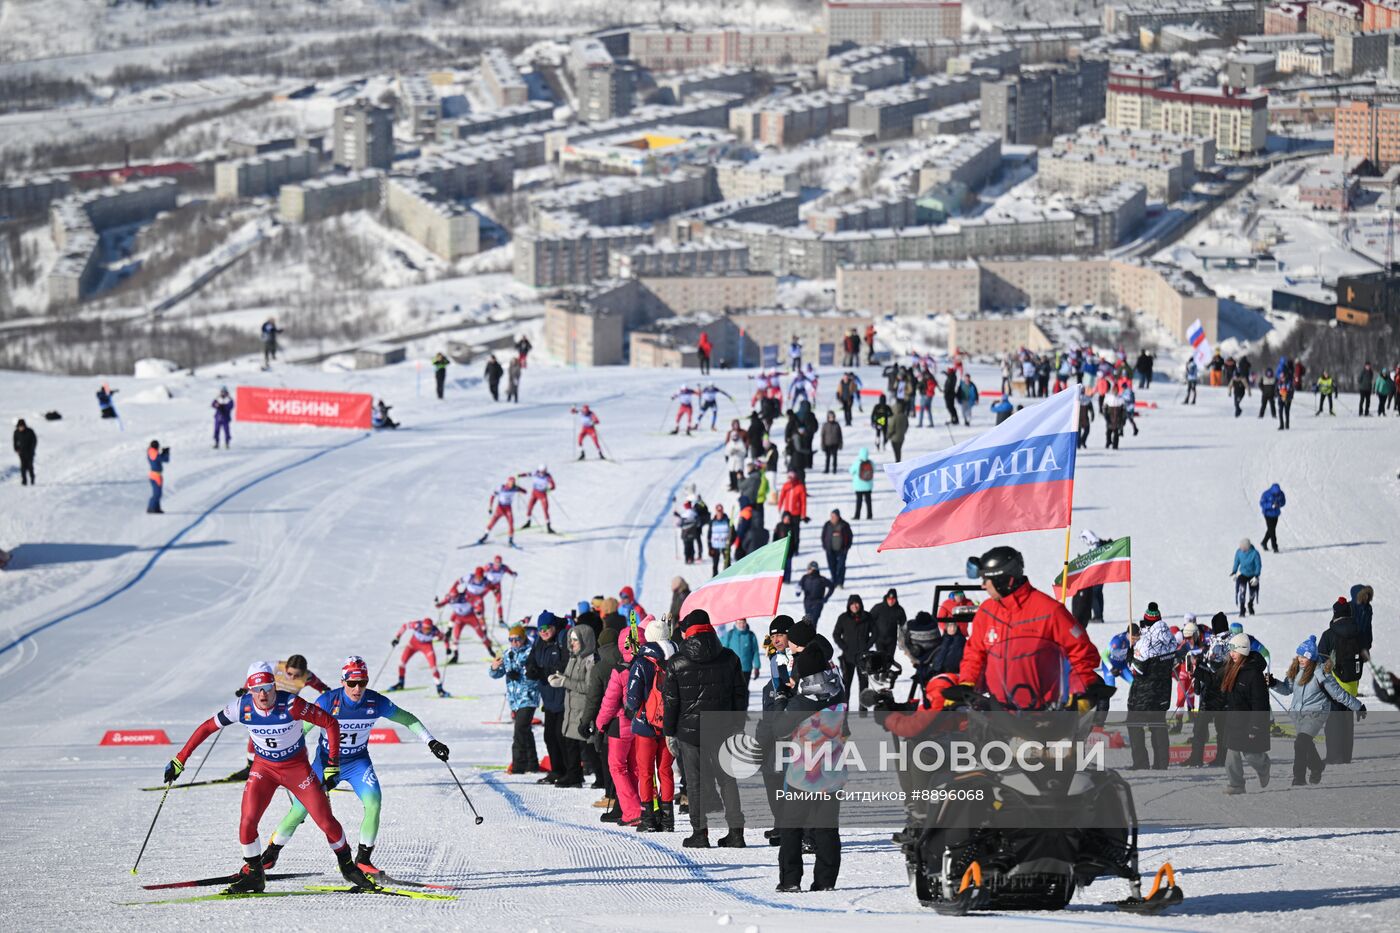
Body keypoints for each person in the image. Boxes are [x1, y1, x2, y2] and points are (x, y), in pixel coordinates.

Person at [163, 662, 375, 894]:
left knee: (324, 820)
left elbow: (330, 723)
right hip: (264, 769)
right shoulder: (240, 707)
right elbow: (207, 727)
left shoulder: (292, 705)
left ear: (274, 686)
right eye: (256, 689)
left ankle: (347, 866)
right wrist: (180, 759)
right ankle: (255, 875)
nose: (262, 694)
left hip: (297, 769)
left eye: (267, 687)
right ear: (249, 690)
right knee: (247, 821)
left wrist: (332, 764)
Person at [262, 656, 450, 874]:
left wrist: (431, 741)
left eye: (362, 682)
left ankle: (363, 859)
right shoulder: (327, 701)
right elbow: (301, 730)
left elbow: (408, 719)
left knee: (374, 802)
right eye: (352, 683)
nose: (357, 688)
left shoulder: (375, 702)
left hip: (357, 762)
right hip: (325, 763)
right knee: (300, 811)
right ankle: (269, 857)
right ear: (343, 682)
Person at [957, 546, 1102, 709]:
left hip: (1043, 714)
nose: (983, 586)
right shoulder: (986, 612)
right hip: (997, 713)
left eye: (986, 580)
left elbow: (1082, 651)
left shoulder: (1049, 611)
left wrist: (1081, 691)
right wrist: (966, 683)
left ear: (1004, 580)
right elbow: (975, 653)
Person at [663, 611, 748, 848]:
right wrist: (737, 724)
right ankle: (736, 833)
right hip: (723, 728)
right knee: (728, 780)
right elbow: (740, 694)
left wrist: (669, 731)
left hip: (690, 733)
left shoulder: (677, 662)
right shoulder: (730, 657)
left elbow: (671, 701)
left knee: (695, 782)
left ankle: (699, 834)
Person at [773, 634, 847, 892]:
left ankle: (791, 879)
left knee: (792, 827)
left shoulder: (801, 702)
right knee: (827, 829)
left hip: (802, 773)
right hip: (832, 771)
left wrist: (782, 700)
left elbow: (779, 728)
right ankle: (826, 881)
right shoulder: (839, 693)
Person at [1269, 635, 1366, 785]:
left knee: (1300, 743)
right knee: (1306, 743)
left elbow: (1338, 694)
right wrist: (1273, 683)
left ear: (1312, 658)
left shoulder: (1321, 674)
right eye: (1299, 655)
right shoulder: (1296, 670)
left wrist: (1358, 706)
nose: (1300, 659)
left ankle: (1299, 778)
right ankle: (1317, 766)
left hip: (1316, 713)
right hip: (1299, 713)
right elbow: (1287, 689)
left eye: (1304, 657)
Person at [627, 616, 678, 831]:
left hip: (646, 725)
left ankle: (648, 819)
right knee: (665, 771)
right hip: (670, 724)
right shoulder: (679, 658)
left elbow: (632, 699)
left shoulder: (641, 662)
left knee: (646, 772)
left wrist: (637, 709)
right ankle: (668, 821)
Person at [596, 626, 646, 826]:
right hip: (640, 724)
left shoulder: (619, 671)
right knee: (634, 767)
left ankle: (632, 811)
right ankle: (641, 805)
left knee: (617, 768)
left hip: (620, 725)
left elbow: (609, 702)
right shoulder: (646, 666)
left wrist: (600, 724)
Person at [1219, 632, 1270, 795]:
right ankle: (1236, 785)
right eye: (1231, 650)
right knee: (1231, 756)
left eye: (1235, 650)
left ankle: (1263, 766)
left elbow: (1260, 702)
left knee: (1251, 755)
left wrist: (1256, 726)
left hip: (1249, 722)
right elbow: (1217, 683)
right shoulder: (1231, 668)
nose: (1232, 654)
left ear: (1243, 651)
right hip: (1234, 721)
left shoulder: (1254, 674)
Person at [1317, 597, 1366, 764]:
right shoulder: (1358, 633)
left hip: (1335, 685)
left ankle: (1334, 756)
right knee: (1347, 721)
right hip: (1352, 683)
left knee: (1333, 722)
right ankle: (1346, 756)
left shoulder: (1329, 634)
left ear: (1335, 613)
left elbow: (1321, 658)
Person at [1127, 608, 1174, 770]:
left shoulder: (1145, 642)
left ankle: (1141, 762)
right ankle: (1162, 763)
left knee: (1134, 724)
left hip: (1144, 694)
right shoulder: (1170, 638)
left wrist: (1130, 654)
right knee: (1159, 725)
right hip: (1164, 692)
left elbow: (1137, 670)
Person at [491, 625, 542, 774]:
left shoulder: (531, 653)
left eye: (517, 639)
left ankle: (518, 765)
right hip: (514, 699)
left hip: (528, 697)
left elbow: (534, 676)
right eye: (511, 639)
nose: (514, 642)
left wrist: (520, 676)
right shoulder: (507, 654)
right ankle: (532, 763)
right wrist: (494, 667)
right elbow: (495, 674)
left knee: (519, 729)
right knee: (525, 730)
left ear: (523, 638)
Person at [557, 623, 599, 789]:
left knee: (588, 747)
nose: (572, 643)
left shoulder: (591, 661)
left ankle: (600, 777)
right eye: (571, 640)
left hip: (583, 710)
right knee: (570, 744)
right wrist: (560, 678)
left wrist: (564, 682)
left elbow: (589, 687)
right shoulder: (573, 658)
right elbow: (570, 678)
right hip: (571, 709)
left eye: (576, 640)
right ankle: (574, 775)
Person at [436, 567, 494, 660]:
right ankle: (455, 655)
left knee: (481, 633)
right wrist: (437, 604)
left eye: (455, 598)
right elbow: (442, 603)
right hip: (460, 618)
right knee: (455, 637)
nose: (453, 600)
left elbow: (477, 601)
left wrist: (478, 610)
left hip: (471, 617)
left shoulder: (465, 597)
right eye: (452, 598)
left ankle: (490, 649)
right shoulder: (450, 597)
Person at [388, 617, 449, 696]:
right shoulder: (417, 625)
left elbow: (445, 638)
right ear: (422, 626)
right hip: (413, 645)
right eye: (425, 628)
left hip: (427, 647)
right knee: (402, 663)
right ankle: (400, 683)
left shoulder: (435, 631)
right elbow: (405, 626)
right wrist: (397, 638)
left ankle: (440, 689)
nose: (426, 631)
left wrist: (448, 648)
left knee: (433, 668)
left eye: (428, 629)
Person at [832, 594, 871, 709]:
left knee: (864, 685)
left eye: (857, 603)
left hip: (863, 658)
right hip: (848, 658)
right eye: (852, 604)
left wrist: (867, 646)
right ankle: (845, 710)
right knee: (846, 685)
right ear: (849, 605)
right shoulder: (843, 618)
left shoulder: (867, 617)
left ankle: (863, 711)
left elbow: (875, 633)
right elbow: (836, 634)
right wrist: (844, 647)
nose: (855, 606)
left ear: (860, 604)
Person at [475, 476, 522, 546]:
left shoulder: (515, 488)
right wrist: (490, 507)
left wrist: (519, 489)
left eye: (513, 483)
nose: (512, 485)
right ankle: (485, 536)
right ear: (508, 482)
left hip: (508, 508)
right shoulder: (501, 488)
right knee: (492, 522)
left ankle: (510, 540)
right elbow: (492, 496)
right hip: (500, 508)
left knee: (511, 523)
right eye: (511, 483)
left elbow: (525, 491)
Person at [868, 588, 906, 662]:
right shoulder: (878, 608)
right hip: (879, 639)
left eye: (893, 599)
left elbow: (904, 625)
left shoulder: (899, 610)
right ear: (886, 598)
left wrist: (903, 640)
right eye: (889, 599)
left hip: (892, 640)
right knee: (881, 659)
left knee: (889, 660)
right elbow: (869, 619)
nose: (891, 601)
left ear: (896, 599)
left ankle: (887, 672)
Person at [720, 618, 762, 683]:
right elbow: (723, 650)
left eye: (743, 623)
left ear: (746, 623)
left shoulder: (751, 635)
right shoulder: (730, 634)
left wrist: (757, 667)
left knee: (744, 690)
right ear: (736, 623)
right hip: (732, 668)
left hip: (746, 668)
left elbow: (755, 651)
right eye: (739, 623)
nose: (742, 625)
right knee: (733, 690)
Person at [797, 561, 836, 627]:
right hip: (808, 603)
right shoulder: (805, 577)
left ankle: (811, 636)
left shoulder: (821, 579)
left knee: (813, 621)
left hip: (818, 603)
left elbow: (831, 587)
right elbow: (799, 587)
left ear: (813, 569)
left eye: (808, 568)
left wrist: (826, 598)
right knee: (807, 622)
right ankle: (806, 636)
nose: (807, 570)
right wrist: (798, 592)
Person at [820, 509, 853, 590]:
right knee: (832, 566)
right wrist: (825, 546)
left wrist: (847, 547)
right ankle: (834, 581)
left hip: (842, 550)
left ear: (838, 516)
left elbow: (850, 536)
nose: (832, 518)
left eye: (834, 516)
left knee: (841, 567)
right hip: (830, 550)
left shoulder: (844, 525)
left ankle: (840, 583)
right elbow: (823, 536)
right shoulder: (827, 524)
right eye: (831, 516)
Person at [520, 465, 557, 533]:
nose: (543, 473)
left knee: (545, 510)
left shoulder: (548, 476)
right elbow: (527, 474)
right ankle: (528, 522)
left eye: (544, 471)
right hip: (534, 493)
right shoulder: (535, 473)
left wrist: (549, 489)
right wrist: (519, 475)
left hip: (542, 494)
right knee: (529, 507)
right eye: (542, 471)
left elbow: (553, 486)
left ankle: (548, 527)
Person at [1230, 538, 1262, 616]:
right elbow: (1236, 562)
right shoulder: (1239, 552)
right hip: (1243, 574)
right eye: (1241, 548)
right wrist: (1234, 572)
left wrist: (1256, 575)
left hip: (1253, 575)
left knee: (1252, 592)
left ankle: (1250, 604)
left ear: (1248, 547)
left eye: (1244, 548)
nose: (1242, 549)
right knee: (1242, 590)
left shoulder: (1255, 553)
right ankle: (1242, 608)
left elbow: (1258, 565)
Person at [484, 554, 518, 624]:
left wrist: (513, 574)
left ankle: (500, 619)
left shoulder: (503, 568)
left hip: (497, 585)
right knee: (478, 599)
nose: (497, 564)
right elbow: (481, 572)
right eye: (496, 562)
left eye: (499, 563)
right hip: (488, 584)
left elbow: (510, 572)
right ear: (494, 562)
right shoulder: (489, 566)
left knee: (499, 602)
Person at [849, 447, 875, 520]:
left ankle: (857, 516)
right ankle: (869, 515)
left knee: (859, 501)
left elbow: (851, 471)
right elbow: (874, 469)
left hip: (858, 486)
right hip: (868, 485)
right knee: (868, 501)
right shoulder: (871, 462)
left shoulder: (857, 462)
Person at [707, 503, 733, 575]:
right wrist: (710, 547)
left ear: (723, 510)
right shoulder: (712, 522)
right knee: (715, 565)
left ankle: (728, 577)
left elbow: (733, 534)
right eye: (718, 511)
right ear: (716, 511)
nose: (720, 512)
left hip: (725, 546)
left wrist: (730, 543)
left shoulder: (728, 521)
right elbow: (709, 536)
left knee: (727, 564)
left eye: (721, 510)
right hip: (715, 546)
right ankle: (714, 579)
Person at [1259, 483, 1285, 553]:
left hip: (1276, 514)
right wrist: (1271, 505)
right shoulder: (1266, 494)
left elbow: (1283, 502)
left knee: (1271, 529)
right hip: (1268, 514)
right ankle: (1275, 547)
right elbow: (1262, 504)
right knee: (1272, 531)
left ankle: (1264, 542)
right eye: (1275, 494)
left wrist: (1279, 504)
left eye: (1278, 493)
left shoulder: (1281, 493)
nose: (1277, 495)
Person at [146, 439, 170, 514]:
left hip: (153, 475)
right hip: (156, 476)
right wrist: (166, 453)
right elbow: (166, 460)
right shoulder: (155, 454)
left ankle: (156, 508)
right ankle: (151, 508)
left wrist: (162, 453)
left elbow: (158, 458)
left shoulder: (151, 452)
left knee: (157, 493)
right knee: (157, 494)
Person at [13, 418, 36, 486]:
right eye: (19, 426)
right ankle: (24, 481)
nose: (21, 428)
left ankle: (32, 478)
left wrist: (32, 449)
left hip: (30, 453)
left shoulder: (30, 431)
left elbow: (34, 441)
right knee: (23, 467)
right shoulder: (16, 432)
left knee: (30, 466)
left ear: (24, 426)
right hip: (21, 452)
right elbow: (15, 441)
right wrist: (16, 449)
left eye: (22, 426)